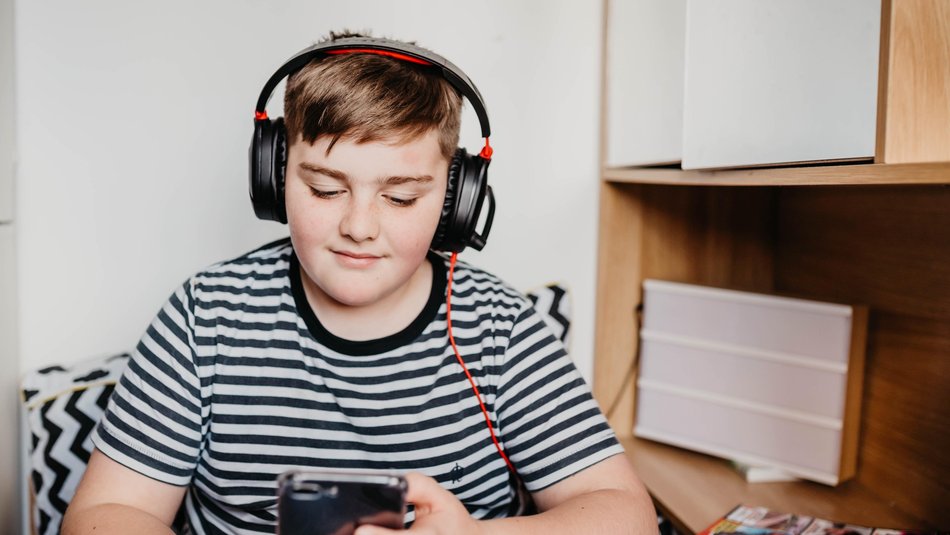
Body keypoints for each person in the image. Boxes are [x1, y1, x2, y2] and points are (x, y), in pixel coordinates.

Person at [63, 31, 657, 535]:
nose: (359, 226)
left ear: (456, 201)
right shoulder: (206, 316)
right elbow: (106, 513)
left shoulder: (500, 327)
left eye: (400, 197)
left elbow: (628, 516)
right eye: (326, 189)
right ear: (275, 176)